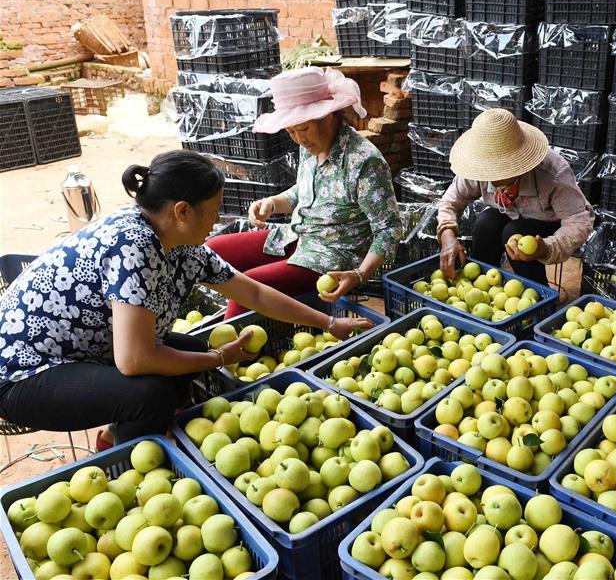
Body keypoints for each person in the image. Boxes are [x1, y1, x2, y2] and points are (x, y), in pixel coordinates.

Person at [0, 151, 373, 447]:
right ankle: (127, 465)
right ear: (182, 210)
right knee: (151, 395)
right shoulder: (134, 245)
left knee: (187, 352)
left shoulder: (178, 244)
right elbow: (134, 360)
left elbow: (254, 292)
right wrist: (218, 357)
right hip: (24, 373)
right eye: (212, 210)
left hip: (84, 351)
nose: (216, 220)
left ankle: (119, 434)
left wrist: (329, 322)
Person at [206, 67, 402, 317]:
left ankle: (232, 353)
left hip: (333, 256)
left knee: (248, 287)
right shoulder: (310, 144)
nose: (299, 139)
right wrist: (273, 203)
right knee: (213, 251)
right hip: (297, 235)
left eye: (304, 129)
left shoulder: (364, 161)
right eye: (291, 132)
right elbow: (307, 190)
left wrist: (359, 274)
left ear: (328, 115)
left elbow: (389, 228)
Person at [437, 108, 594, 285]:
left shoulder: (553, 174)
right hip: (509, 214)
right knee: (485, 223)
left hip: (548, 223)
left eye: (501, 169)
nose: (492, 176)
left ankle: (537, 299)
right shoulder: (478, 167)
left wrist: (546, 248)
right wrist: (447, 235)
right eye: (489, 169)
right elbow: (450, 200)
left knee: (515, 232)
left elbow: (579, 220)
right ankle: (484, 287)